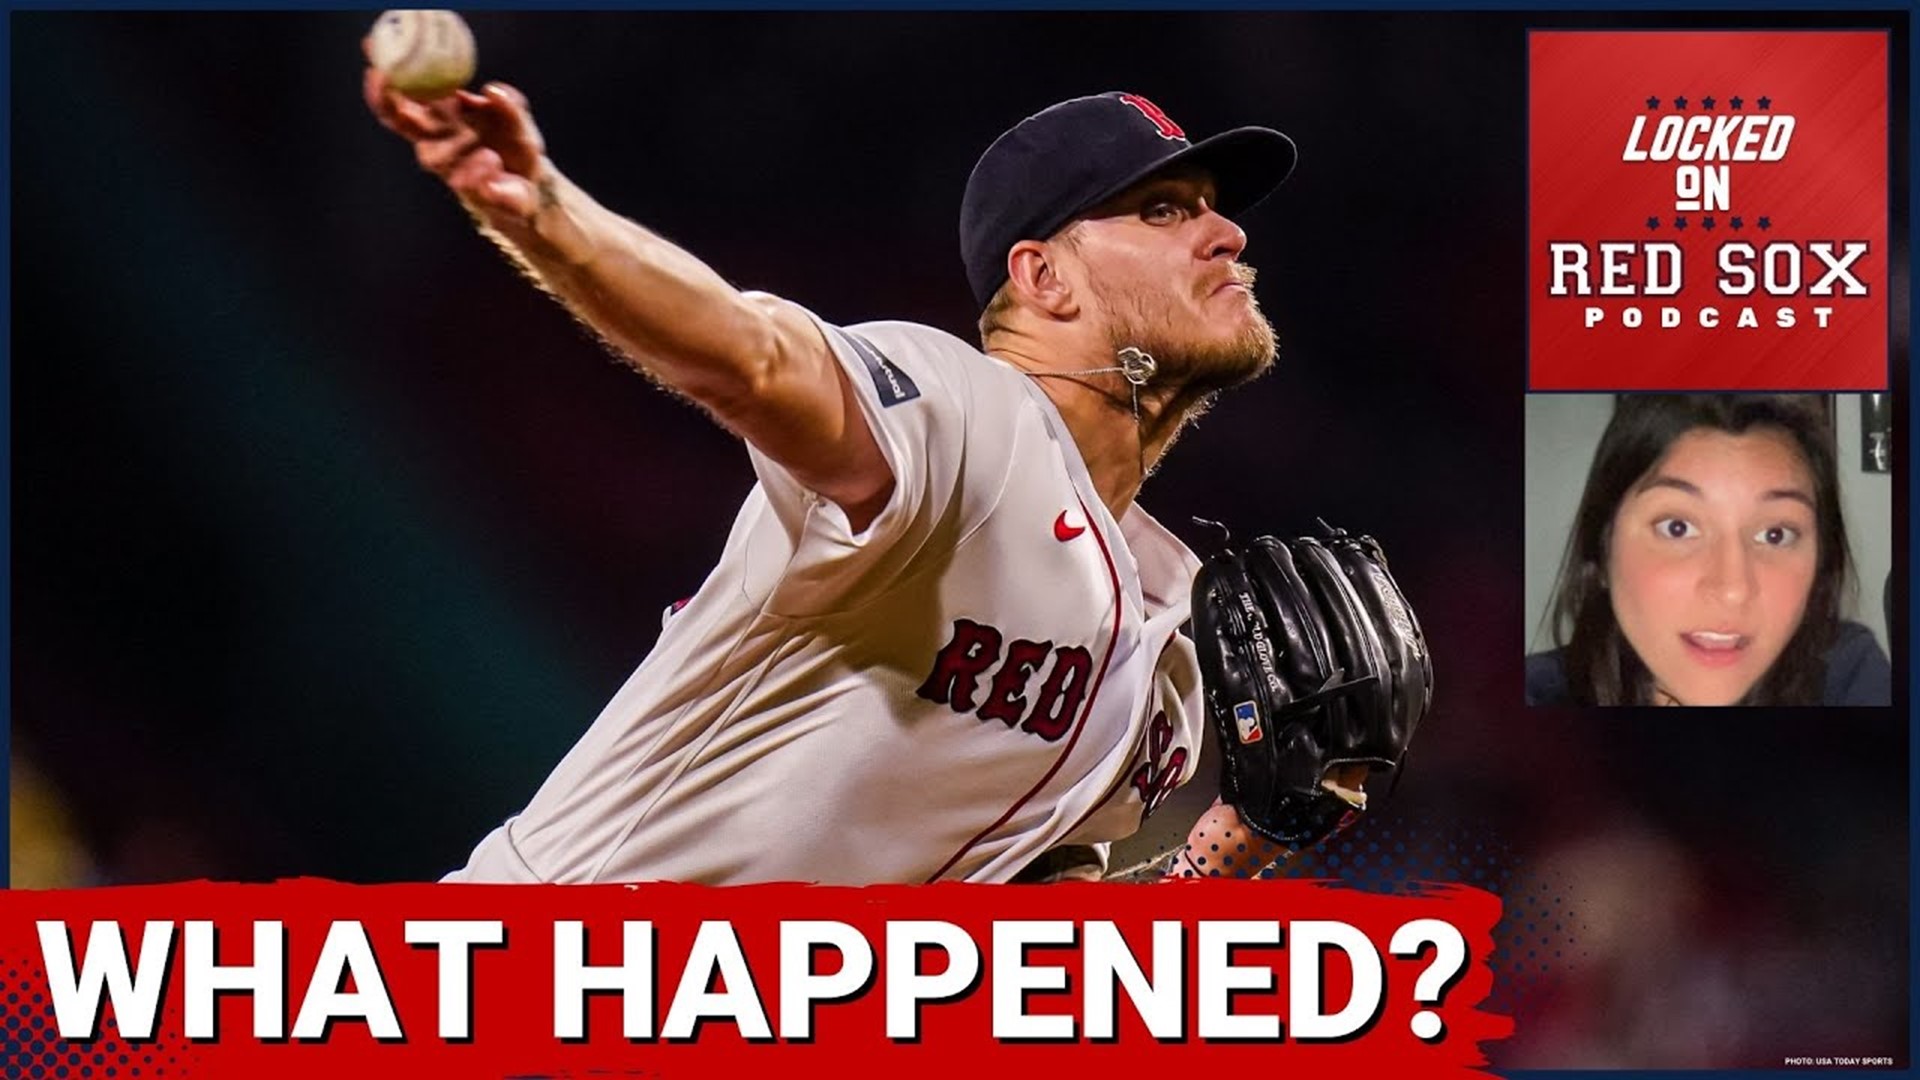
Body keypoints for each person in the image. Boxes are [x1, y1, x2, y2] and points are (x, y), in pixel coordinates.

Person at [366, 61, 1318, 881]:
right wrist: (543, 209)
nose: (1225, 235)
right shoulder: (966, 423)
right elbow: (752, 358)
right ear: (1042, 279)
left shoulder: (1175, 648)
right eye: (1162, 210)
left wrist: (1239, 842)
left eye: (1212, 210)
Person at [1527, 395, 1892, 707]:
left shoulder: (1848, 675)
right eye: (1677, 528)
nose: (1732, 588)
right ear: (1602, 550)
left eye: (1776, 534)